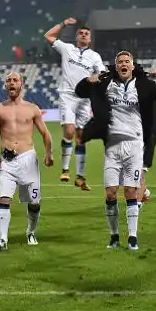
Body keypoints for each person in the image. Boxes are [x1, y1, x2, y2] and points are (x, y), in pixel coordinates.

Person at [75, 51, 156, 251]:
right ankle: (113, 236)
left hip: (135, 145)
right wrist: (88, 79)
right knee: (111, 193)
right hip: (112, 146)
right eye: (120, 61)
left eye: (127, 61)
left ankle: (132, 237)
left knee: (131, 191)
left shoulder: (143, 85)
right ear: (116, 65)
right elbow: (80, 91)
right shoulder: (105, 83)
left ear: (132, 65)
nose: (123, 64)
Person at [0, 72, 53, 251]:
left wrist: (49, 153)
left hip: (28, 160)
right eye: (8, 80)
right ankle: (2, 239)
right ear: (5, 86)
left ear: (21, 84)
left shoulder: (32, 108)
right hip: (7, 161)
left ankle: (31, 231)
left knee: (34, 202)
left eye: (15, 80)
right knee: (4, 198)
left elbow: (45, 133)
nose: (11, 83)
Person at [44, 18, 106, 191]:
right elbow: (48, 36)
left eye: (87, 34)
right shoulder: (67, 49)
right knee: (69, 131)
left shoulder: (94, 56)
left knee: (81, 136)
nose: (84, 35)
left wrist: (98, 77)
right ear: (77, 36)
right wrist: (63, 24)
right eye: (81, 33)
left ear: (90, 39)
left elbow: (102, 72)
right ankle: (64, 169)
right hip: (67, 95)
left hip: (85, 99)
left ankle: (80, 176)